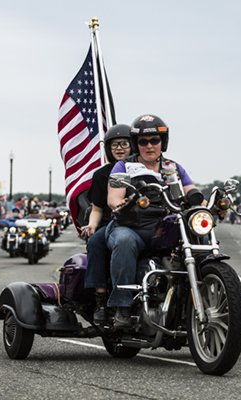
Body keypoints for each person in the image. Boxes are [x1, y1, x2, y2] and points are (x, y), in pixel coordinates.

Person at [106, 114, 196, 327]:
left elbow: (190, 189)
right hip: (130, 226)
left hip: (165, 228)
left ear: (162, 143)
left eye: (154, 140)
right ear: (136, 144)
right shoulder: (123, 167)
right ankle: (123, 307)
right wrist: (123, 202)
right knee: (124, 241)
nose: (149, 146)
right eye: (143, 141)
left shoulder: (172, 167)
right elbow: (113, 198)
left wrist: (199, 198)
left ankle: (224, 301)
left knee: (197, 241)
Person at [81, 124, 133, 323]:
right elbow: (97, 208)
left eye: (124, 144)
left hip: (139, 223)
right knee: (95, 242)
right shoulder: (101, 174)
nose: (119, 148)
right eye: (114, 145)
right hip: (110, 222)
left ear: (132, 146)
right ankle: (101, 299)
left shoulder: (141, 169)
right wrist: (92, 226)